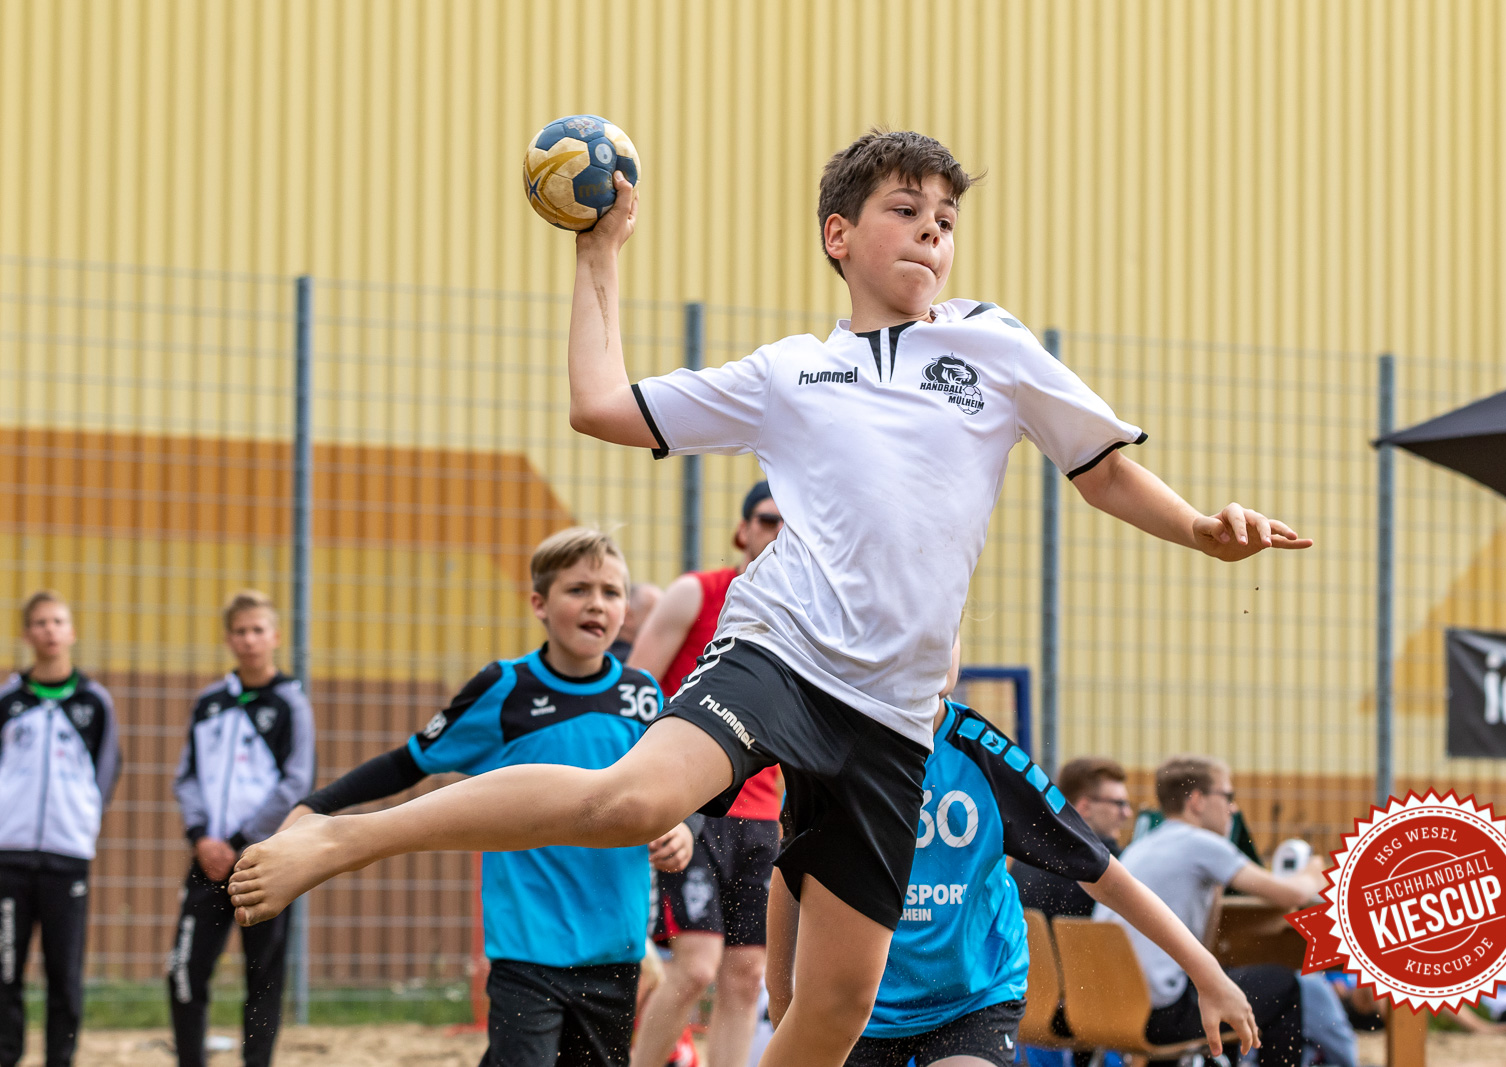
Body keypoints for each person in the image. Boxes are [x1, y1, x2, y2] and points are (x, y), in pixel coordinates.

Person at [228, 129, 1311, 1067]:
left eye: (944, 216)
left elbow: (1101, 464)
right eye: (904, 210)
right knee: (633, 802)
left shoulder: (992, 343)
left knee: (833, 1002)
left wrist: (1199, 529)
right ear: (839, 235)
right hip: (782, 652)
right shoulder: (791, 371)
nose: (932, 232)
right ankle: (341, 836)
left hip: (897, 714)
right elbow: (601, 403)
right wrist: (598, 256)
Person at [281, 528, 695, 1067]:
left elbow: (663, 788)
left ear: (625, 611)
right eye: (578, 589)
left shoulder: (641, 695)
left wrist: (679, 828)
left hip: (613, 945)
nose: (597, 603)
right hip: (527, 944)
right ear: (539, 604)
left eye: (611, 592)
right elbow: (409, 760)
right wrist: (316, 806)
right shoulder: (503, 688)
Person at [768, 647, 1253, 1067]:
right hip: (861, 1002)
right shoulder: (831, 756)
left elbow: (1106, 877)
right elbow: (792, 877)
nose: (932, 644)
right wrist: (782, 997)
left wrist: (1207, 973)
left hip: (972, 998)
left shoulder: (988, 759)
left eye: (946, 627)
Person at [628, 481, 785, 1067]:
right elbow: (632, 693)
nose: (780, 533)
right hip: (689, 806)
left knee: (746, 978)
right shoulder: (696, 593)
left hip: (762, 813)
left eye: (793, 524)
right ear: (741, 531)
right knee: (695, 967)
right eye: (769, 520)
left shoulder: (806, 613)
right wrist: (646, 796)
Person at [1094, 755, 1323, 1067]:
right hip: (1158, 1016)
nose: (1233, 808)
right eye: (1227, 797)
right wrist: (1315, 870)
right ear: (1198, 801)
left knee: (1224, 985)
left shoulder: (1142, 845)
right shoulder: (1202, 844)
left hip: (1103, 1008)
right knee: (1283, 984)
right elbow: (1290, 894)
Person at [169, 590, 315, 1067]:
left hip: (262, 859)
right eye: (240, 631)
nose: (249, 640)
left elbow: (296, 779)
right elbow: (186, 776)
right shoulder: (210, 703)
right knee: (185, 972)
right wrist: (201, 839)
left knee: (264, 975)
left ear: (274, 637)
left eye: (258, 630)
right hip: (207, 860)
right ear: (229, 638)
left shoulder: (291, 703)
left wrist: (239, 842)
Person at [0, 591, 120, 1067]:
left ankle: (60, 1059)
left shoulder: (94, 701)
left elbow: (107, 770)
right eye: (40, 622)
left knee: (64, 974)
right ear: (28, 634)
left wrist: (85, 819)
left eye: (58, 621)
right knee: (5, 971)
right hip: (8, 856)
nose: (49, 630)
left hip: (66, 855)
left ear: (71, 632)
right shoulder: (9, 700)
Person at [1012, 757, 1130, 919]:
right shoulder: (1103, 857)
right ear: (1085, 807)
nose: (1127, 814)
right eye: (1119, 804)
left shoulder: (1028, 850)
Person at [608, 582, 661, 662]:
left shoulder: (607, 661)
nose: (662, 622)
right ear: (627, 617)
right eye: (656, 614)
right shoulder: (634, 664)